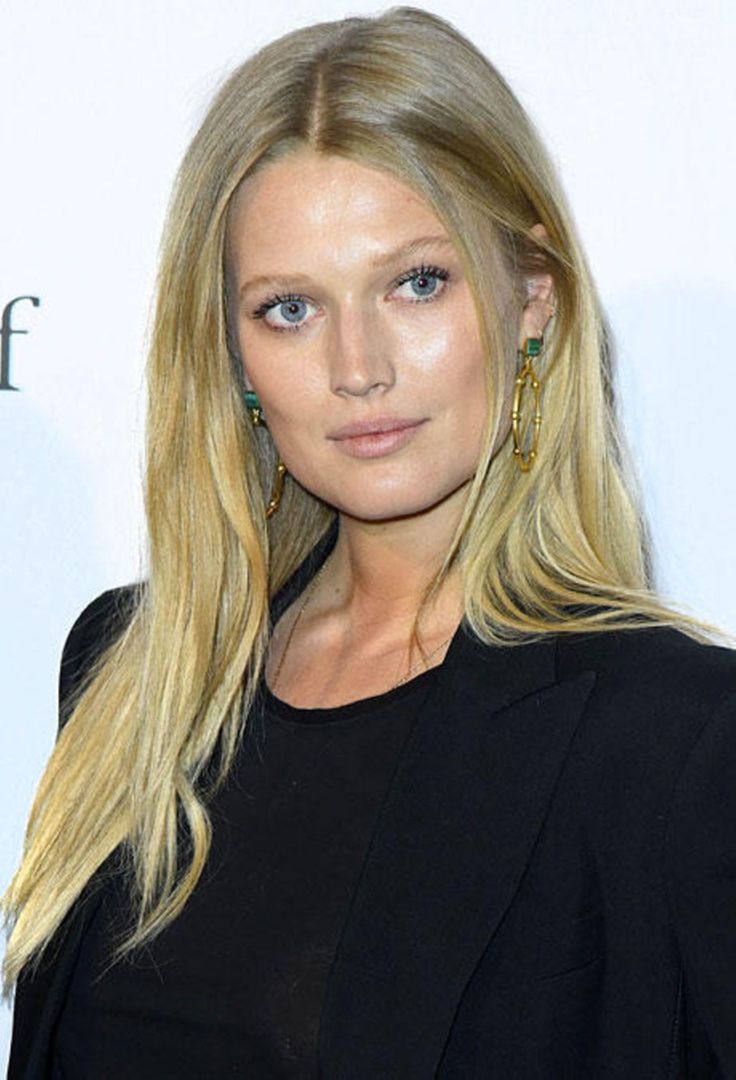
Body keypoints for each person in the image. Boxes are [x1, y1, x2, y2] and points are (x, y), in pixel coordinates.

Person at [3, 6, 736, 1077]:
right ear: (232, 357)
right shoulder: (129, 671)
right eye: (290, 307)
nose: (358, 367)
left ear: (531, 297)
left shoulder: (676, 740)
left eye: (416, 283)